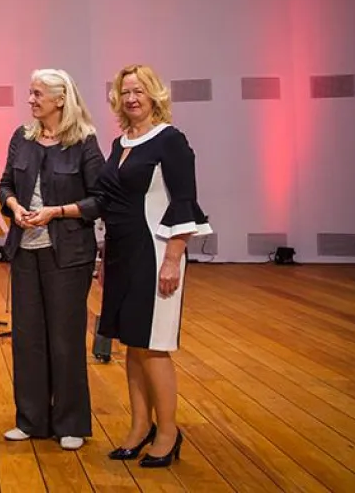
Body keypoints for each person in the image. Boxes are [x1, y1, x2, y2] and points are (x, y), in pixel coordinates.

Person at [98, 64, 212, 468]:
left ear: (154, 95)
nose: (131, 98)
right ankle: (139, 426)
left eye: (139, 91)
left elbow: (184, 202)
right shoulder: (120, 141)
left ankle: (168, 433)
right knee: (133, 345)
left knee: (155, 348)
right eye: (125, 92)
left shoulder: (171, 140)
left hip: (155, 253)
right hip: (120, 253)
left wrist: (172, 261)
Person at [0, 69, 105, 451]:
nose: (31, 100)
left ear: (60, 99)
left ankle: (71, 422)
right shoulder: (22, 139)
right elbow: (5, 184)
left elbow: (100, 200)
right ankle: (30, 420)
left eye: (38, 93)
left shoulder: (85, 142)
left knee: (65, 338)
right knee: (27, 338)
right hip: (25, 250)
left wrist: (55, 212)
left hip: (69, 255)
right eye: (30, 92)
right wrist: (12, 205)